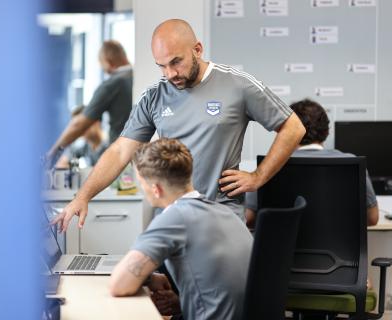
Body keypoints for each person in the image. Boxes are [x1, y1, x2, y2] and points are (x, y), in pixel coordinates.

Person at [52, 18, 305, 232]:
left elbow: (293, 127)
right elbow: (120, 151)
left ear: (197, 49)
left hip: (220, 219)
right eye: (162, 66)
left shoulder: (238, 85)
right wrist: (82, 197)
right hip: (170, 220)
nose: (170, 74)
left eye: (176, 62)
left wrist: (258, 176)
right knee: (158, 290)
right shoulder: (154, 96)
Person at [109, 138, 253, 320]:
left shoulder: (174, 217)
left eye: (141, 182)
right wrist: (164, 288)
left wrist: (145, 277)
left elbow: (119, 285)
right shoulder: (224, 211)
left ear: (156, 189)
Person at [245, 98, 379, 227]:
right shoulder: (352, 164)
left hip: (282, 250)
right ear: (326, 131)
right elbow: (372, 218)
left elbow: (249, 218)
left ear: (285, 132)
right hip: (339, 250)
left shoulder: (267, 167)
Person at [46, 40, 132, 166]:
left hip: (121, 156)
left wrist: (53, 153)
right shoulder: (137, 77)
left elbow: (79, 124)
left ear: (108, 61)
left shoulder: (113, 84)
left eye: (101, 64)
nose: (103, 70)